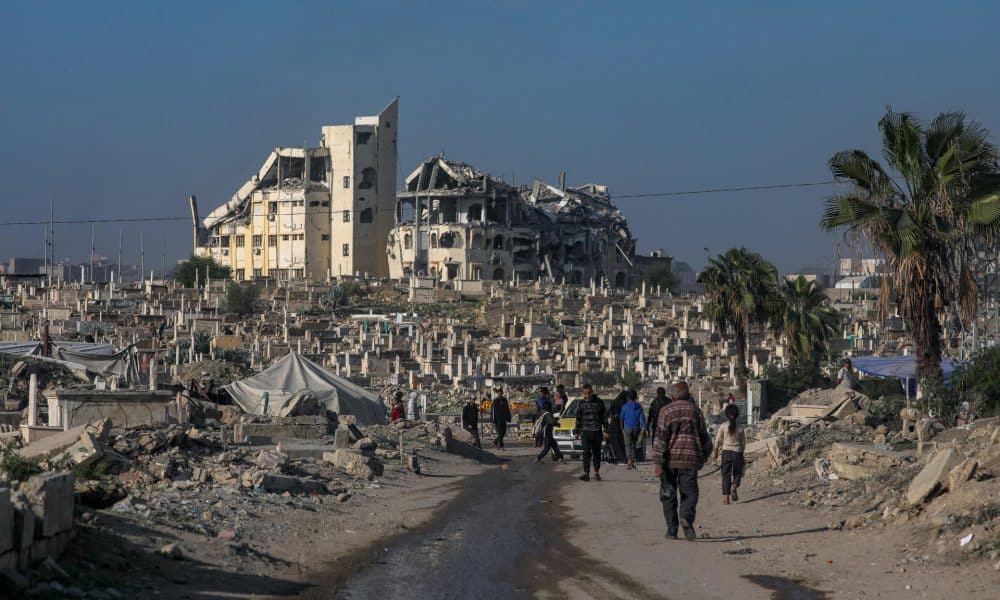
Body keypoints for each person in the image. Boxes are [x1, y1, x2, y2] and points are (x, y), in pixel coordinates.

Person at [653, 381, 712, 541]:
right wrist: (704, 456)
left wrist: (658, 463)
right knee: (690, 493)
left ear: (673, 395)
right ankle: (685, 517)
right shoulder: (695, 411)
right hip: (689, 460)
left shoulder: (665, 411)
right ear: (688, 394)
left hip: (669, 462)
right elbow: (705, 438)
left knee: (668, 495)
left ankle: (672, 531)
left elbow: (660, 439)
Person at [712, 403, 746, 504]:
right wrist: (741, 453)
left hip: (726, 452)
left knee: (725, 474)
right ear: (737, 415)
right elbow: (743, 443)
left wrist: (715, 451)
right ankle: (734, 485)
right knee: (738, 472)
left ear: (726, 415)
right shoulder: (740, 427)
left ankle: (726, 499)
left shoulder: (723, 426)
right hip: (737, 452)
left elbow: (718, 440)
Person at [573, 384, 607, 481]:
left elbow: (604, 418)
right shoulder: (580, 404)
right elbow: (578, 418)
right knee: (586, 452)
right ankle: (586, 473)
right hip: (585, 432)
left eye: (589, 393)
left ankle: (596, 472)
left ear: (592, 392)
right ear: (583, 393)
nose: (587, 395)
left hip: (597, 432)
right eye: (585, 393)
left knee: (596, 453)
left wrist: (606, 430)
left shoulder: (599, 403)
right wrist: (576, 431)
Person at [620, 392, 647, 470]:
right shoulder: (639, 407)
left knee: (627, 445)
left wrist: (622, 429)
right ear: (635, 397)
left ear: (628, 398)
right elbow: (642, 419)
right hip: (636, 429)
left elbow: (621, 419)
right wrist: (645, 428)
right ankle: (632, 462)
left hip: (627, 428)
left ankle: (629, 461)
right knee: (634, 445)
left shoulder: (624, 406)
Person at [608, 388, 631, 463]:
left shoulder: (615, 402)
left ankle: (617, 458)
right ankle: (622, 458)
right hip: (619, 423)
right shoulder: (622, 403)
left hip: (613, 423)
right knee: (620, 441)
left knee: (615, 442)